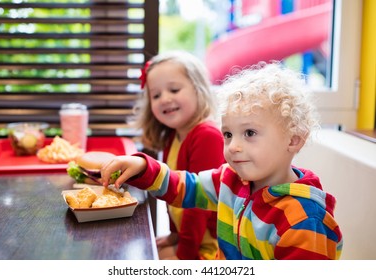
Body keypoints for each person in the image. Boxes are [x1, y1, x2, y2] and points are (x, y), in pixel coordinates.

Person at [103, 61, 343, 260]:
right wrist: (144, 167)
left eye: (249, 133)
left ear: (293, 140)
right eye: (228, 134)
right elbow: (187, 187)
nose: (233, 146)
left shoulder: (304, 221)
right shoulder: (230, 179)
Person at [131, 51, 225, 260]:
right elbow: (173, 193)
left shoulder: (207, 136)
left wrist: (186, 255)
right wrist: (176, 236)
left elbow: (197, 205)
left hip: (214, 248)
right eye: (156, 95)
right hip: (192, 239)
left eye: (174, 89)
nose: (165, 99)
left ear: (198, 90)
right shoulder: (173, 136)